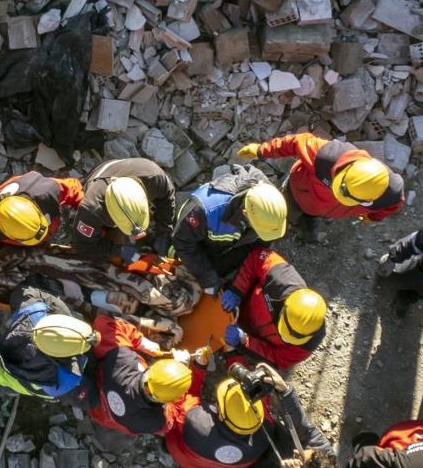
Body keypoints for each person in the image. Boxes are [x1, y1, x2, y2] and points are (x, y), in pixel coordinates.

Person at [237, 133, 404, 224]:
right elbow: (294, 143)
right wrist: (261, 150)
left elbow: (391, 207)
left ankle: (308, 220)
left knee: (310, 218)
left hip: (324, 211)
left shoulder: (391, 195)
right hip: (297, 193)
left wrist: (374, 217)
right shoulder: (327, 156)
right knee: (286, 208)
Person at [172, 164, 287, 292]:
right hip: (194, 239)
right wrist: (208, 279)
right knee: (187, 271)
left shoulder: (269, 204)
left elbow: (260, 243)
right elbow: (183, 242)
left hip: (225, 243)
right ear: (245, 212)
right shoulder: (206, 209)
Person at [86, 314, 196, 436]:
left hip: (97, 398)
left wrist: (140, 341)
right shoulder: (155, 421)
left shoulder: (121, 360)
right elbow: (175, 414)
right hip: (105, 415)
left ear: (153, 368)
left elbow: (104, 322)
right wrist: (182, 368)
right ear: (169, 399)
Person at [0, 283, 98, 406]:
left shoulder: (73, 342)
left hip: (27, 314)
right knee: (6, 383)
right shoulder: (37, 388)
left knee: (23, 294)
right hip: (9, 349)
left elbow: (27, 294)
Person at [221, 247, 327, 370]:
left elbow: (277, 358)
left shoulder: (308, 344)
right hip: (238, 304)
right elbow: (257, 258)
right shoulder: (281, 277)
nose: (284, 337)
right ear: (284, 309)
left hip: (252, 336)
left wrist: (245, 342)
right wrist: (237, 290)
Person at [164, 371, 271, 468]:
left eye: (219, 403)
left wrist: (198, 368)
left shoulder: (194, 421)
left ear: (220, 415)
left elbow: (186, 394)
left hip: (182, 456)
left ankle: (165, 446)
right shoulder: (264, 439)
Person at [71, 158, 176, 262]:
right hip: (98, 176)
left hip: (122, 169)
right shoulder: (92, 210)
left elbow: (167, 201)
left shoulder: (155, 177)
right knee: (109, 250)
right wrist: (119, 251)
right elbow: (82, 245)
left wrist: (164, 232)